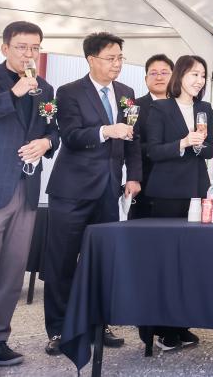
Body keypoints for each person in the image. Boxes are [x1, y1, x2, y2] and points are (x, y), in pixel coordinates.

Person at [0, 22, 59, 376]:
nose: (29, 54)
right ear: (5, 48)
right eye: (22, 47)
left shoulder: (45, 87)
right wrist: (13, 93)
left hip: (26, 188)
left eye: (35, 47)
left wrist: (47, 143)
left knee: (12, 273)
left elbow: (54, 129)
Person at [42, 32, 142, 355]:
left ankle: (100, 323)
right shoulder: (69, 92)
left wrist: (133, 176)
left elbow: (133, 138)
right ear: (91, 60)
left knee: (102, 260)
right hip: (71, 191)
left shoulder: (126, 93)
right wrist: (106, 131)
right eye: (111, 58)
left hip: (109, 189)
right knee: (62, 261)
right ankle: (59, 329)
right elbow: (71, 136)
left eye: (120, 58)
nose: (117, 64)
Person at [144, 55, 213, 351]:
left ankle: (182, 324)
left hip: (196, 190)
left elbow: (211, 149)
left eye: (203, 75)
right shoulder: (160, 108)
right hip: (167, 193)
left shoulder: (204, 108)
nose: (199, 80)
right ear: (180, 76)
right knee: (166, 261)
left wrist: (199, 146)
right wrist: (183, 143)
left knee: (190, 260)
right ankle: (162, 328)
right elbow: (152, 151)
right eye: (194, 74)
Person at [129, 54, 174, 220]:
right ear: (146, 78)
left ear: (174, 76)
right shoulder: (135, 107)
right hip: (147, 183)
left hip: (181, 184)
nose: (159, 77)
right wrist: (169, 148)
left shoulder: (184, 106)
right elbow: (131, 145)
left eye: (164, 72)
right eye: (153, 73)